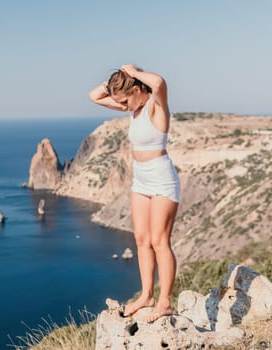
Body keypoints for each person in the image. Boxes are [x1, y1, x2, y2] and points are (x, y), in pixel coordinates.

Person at [88, 64, 180, 322]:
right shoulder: (135, 108)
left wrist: (133, 71)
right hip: (141, 180)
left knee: (160, 241)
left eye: (125, 99)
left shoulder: (155, 106)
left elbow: (160, 82)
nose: (123, 106)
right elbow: (93, 96)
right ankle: (147, 296)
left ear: (138, 89)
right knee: (141, 240)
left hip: (162, 179)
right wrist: (116, 82)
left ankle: (165, 302)